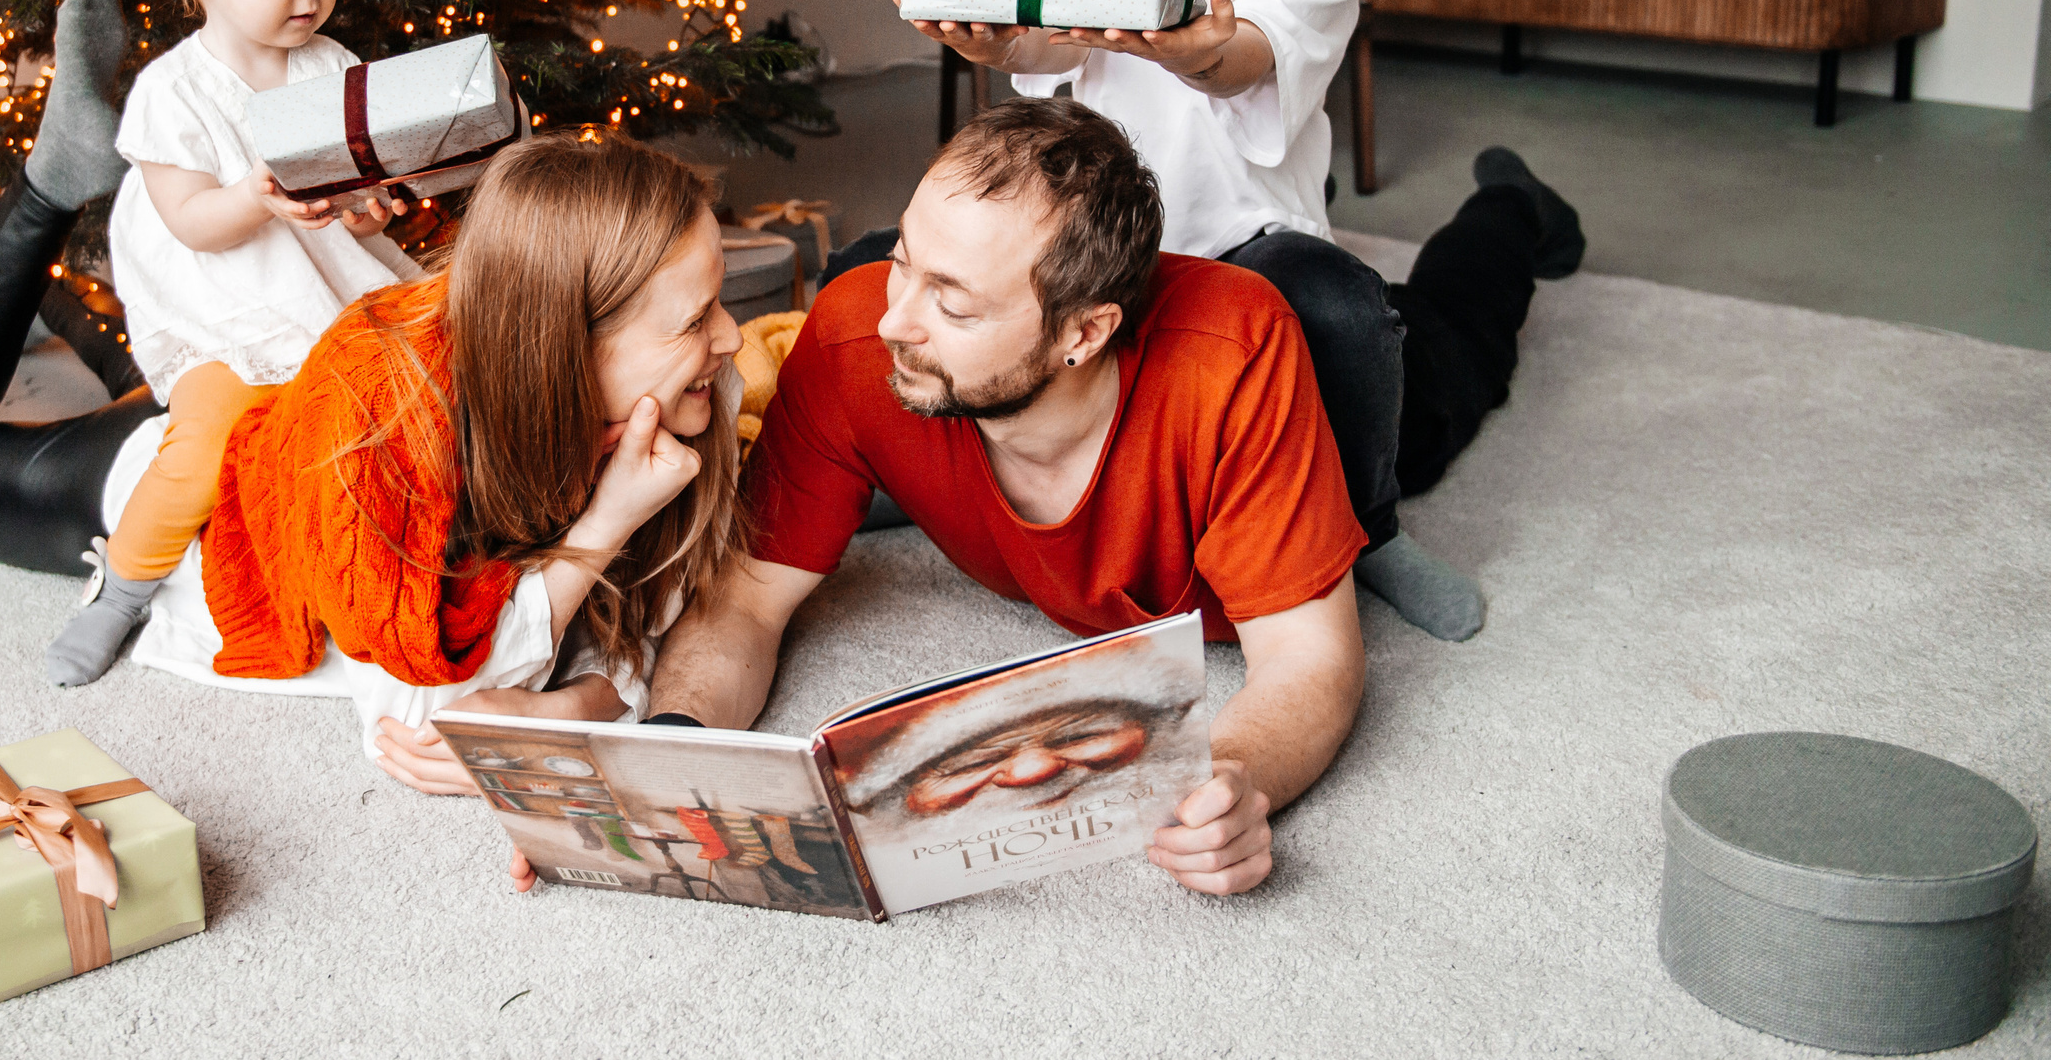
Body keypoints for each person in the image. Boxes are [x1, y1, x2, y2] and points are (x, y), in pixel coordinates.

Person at [609, 98, 1578, 898]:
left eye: (951, 301)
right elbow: (742, 600)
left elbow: (1309, 661)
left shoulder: (1234, 363)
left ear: (1082, 334)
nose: (892, 317)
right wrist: (668, 752)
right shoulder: (863, 332)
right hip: (1087, 391)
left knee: (1449, 346)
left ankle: (1511, 212)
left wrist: (1231, 778)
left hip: (1336, 412)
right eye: (906, 258)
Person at [887, 0, 1583, 643]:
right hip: (1108, 251)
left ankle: (1505, 227)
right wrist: (991, 43)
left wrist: (1193, 46)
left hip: (1254, 250)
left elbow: (1255, 57)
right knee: (881, 262)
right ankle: (912, 471)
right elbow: (1041, 44)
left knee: (1393, 346)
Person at [0, 0, 750, 764]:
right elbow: (419, 708)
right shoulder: (391, 424)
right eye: (697, 318)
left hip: (294, 401)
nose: (734, 340)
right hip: (216, 495)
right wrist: (606, 522)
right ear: (562, 344)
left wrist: (583, 703)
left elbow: (650, 609)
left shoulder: (678, 392)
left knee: (213, 370)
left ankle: (87, 319)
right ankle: (49, 190)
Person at [46, 0, 422, 685]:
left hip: (329, 289)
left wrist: (370, 208)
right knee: (206, 445)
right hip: (225, 312)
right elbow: (190, 222)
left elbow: (357, 203)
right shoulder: (174, 92)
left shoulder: (331, 65)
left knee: (416, 386)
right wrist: (255, 193)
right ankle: (124, 587)